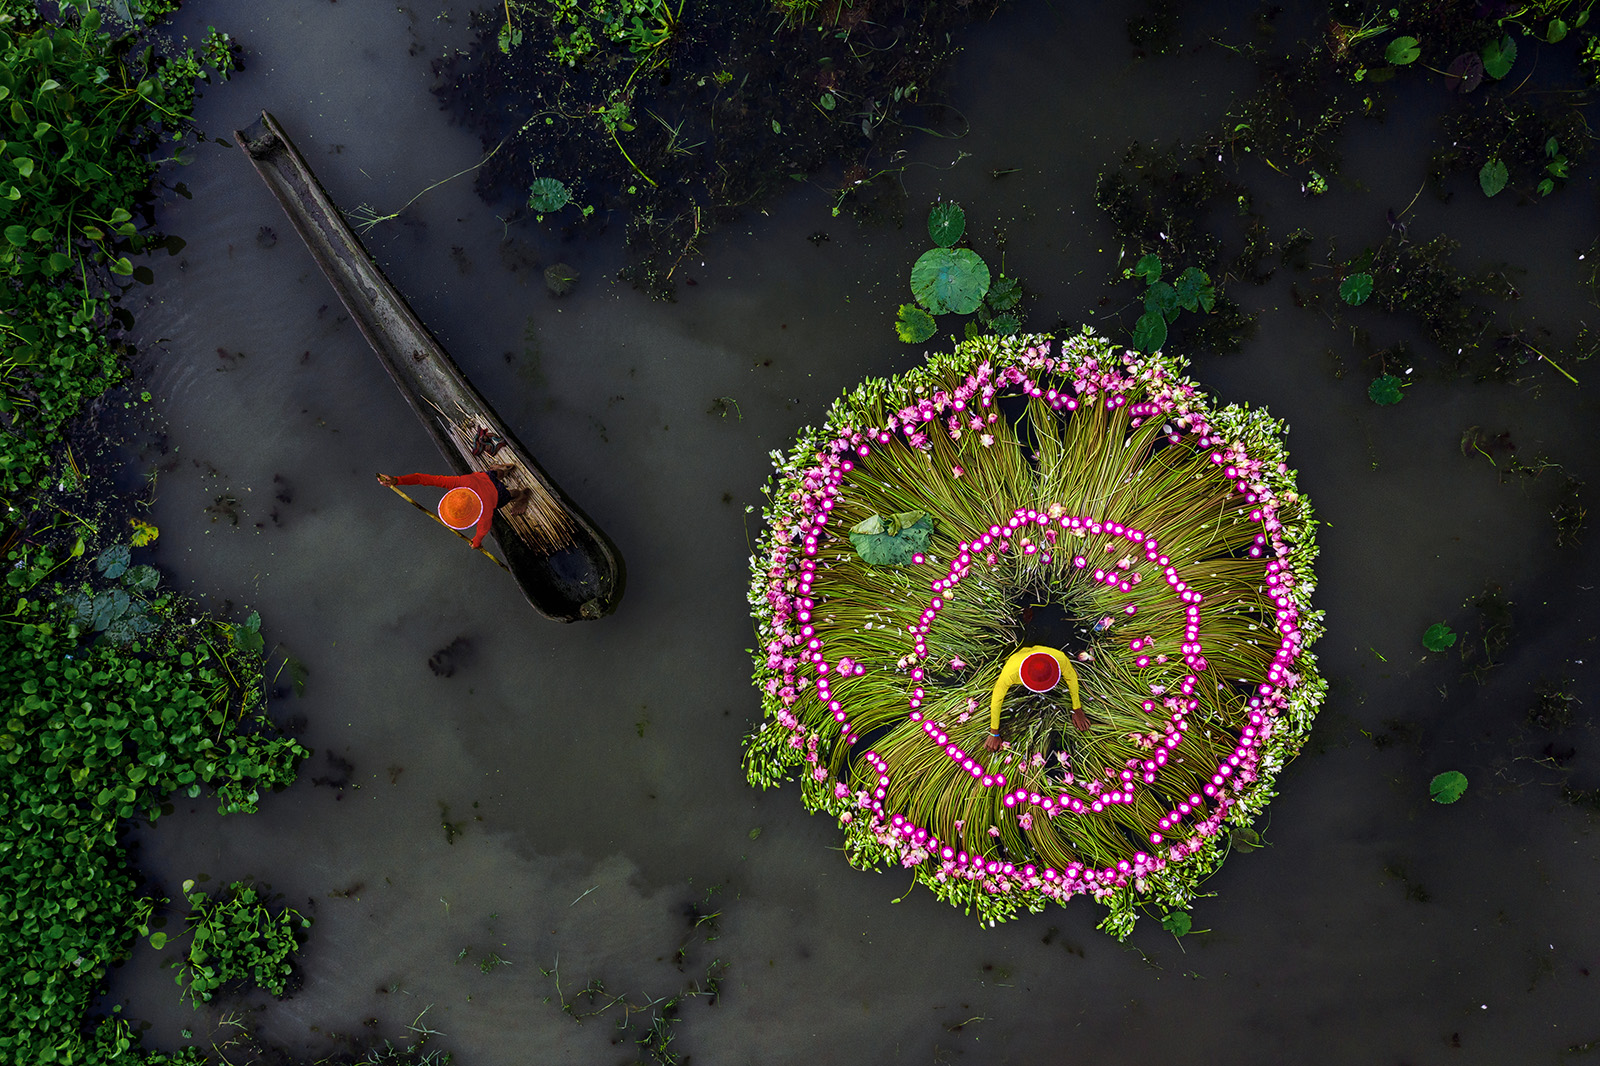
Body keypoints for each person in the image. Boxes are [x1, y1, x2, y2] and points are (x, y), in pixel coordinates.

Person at [377, 464, 531, 549]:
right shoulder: (458, 482)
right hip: (483, 477)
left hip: (497, 496)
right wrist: (397, 480)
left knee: (511, 495)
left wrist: (476, 542)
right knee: (494, 474)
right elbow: (420, 478)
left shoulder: (485, 511)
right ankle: (502, 470)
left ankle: (523, 495)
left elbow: (483, 529)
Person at [986, 645, 1085, 751]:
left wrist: (1077, 708)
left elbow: (1072, 678)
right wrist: (994, 731)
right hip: (1020, 655)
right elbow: (997, 698)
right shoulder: (1011, 671)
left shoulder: (1059, 658)